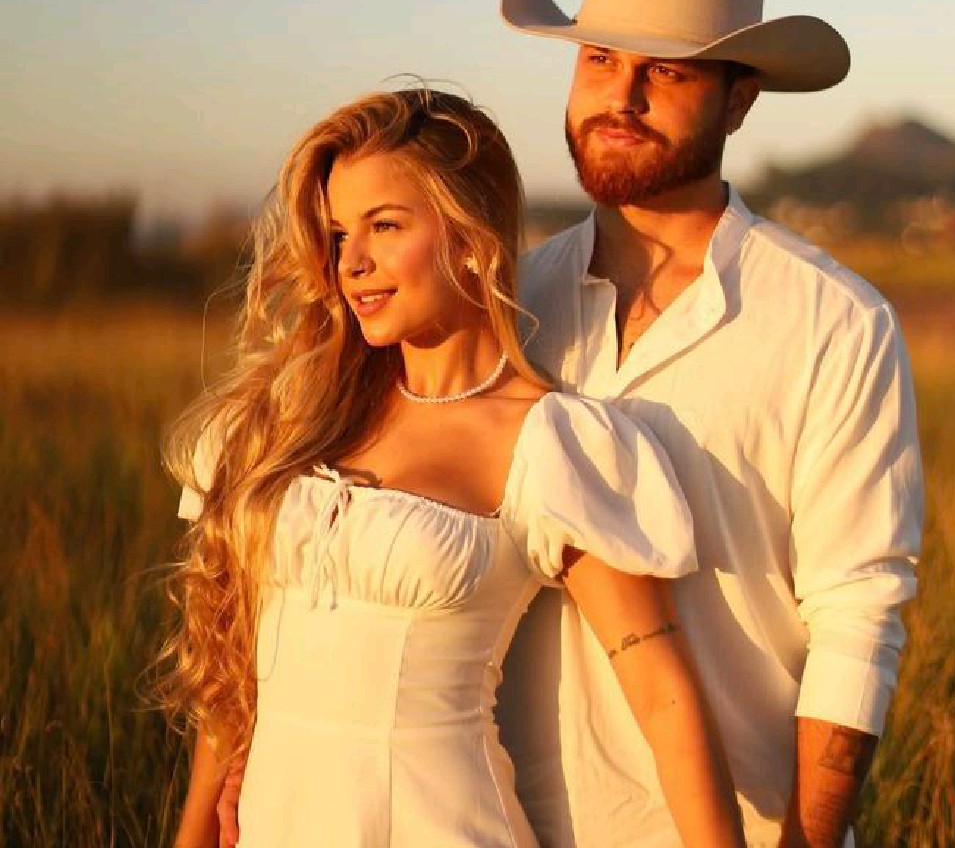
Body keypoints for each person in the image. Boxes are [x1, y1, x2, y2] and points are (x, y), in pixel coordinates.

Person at [160, 87, 748, 848]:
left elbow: (664, 698)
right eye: (338, 234)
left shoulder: (548, 444)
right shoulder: (292, 417)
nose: (352, 263)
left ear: (471, 236)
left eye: (385, 226)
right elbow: (233, 665)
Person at [493, 0, 924, 848]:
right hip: (509, 824)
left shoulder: (833, 322)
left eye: (668, 71)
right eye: (599, 60)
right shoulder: (506, 305)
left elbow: (858, 618)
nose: (622, 96)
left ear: (739, 102)